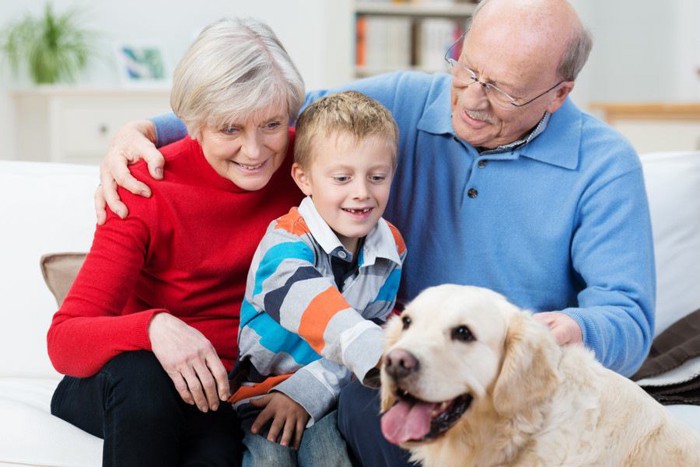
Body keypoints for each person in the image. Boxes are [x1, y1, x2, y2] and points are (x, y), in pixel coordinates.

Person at [95, 0, 656, 464]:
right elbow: (283, 116)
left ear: (560, 92)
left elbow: (627, 315)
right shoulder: (407, 101)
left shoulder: (604, 165)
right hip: (389, 353)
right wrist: (146, 129)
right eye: (467, 68)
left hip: (500, 371)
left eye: (504, 91)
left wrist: (554, 334)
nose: (471, 98)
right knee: (371, 402)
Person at [47, 17, 326, 466]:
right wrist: (154, 326)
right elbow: (64, 339)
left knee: (213, 439)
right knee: (146, 381)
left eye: (271, 125)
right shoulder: (146, 187)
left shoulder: (309, 170)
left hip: (215, 391)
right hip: (125, 377)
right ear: (192, 124)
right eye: (230, 129)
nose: (255, 152)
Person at [231, 90, 406, 465]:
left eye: (377, 177)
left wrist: (311, 391)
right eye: (342, 177)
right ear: (304, 179)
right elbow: (317, 308)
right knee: (269, 460)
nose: (361, 193)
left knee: (330, 459)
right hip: (261, 394)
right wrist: (380, 351)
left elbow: (375, 322)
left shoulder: (392, 246)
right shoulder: (283, 244)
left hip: (331, 393)